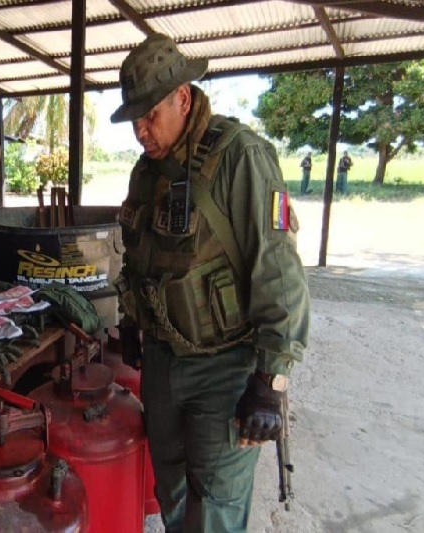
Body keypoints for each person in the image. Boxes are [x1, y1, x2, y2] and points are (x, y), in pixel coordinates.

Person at [110, 33, 310, 532]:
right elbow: (138, 257)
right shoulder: (146, 172)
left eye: (150, 114)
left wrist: (270, 381)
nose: (140, 130)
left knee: (216, 507)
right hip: (162, 364)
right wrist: (131, 321)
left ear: (183, 97)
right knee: (172, 493)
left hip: (224, 369)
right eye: (133, 118)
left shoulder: (240, 158)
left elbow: (279, 272)